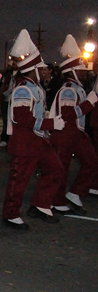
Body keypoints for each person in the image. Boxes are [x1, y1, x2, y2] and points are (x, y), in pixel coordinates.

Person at [2, 29, 65, 229]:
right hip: (26, 142)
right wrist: (50, 124)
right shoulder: (23, 88)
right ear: (33, 69)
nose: (46, 71)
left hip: (38, 139)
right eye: (42, 68)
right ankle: (11, 214)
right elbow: (22, 119)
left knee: (55, 169)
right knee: (19, 180)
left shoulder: (34, 86)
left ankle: (40, 205)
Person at [50, 35, 98, 214]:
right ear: (71, 72)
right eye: (80, 70)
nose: (85, 73)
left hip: (76, 133)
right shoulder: (69, 90)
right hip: (65, 133)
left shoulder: (77, 88)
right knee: (62, 168)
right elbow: (68, 114)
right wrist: (89, 104)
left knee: (91, 161)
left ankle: (75, 193)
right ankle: (57, 200)